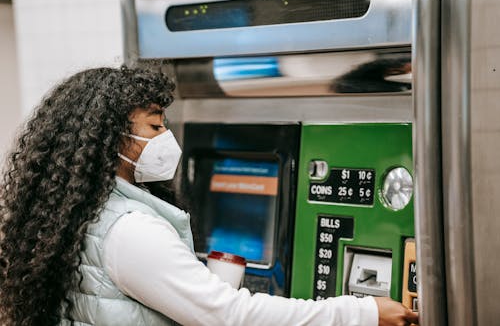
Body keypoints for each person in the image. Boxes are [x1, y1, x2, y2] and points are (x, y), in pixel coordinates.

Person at [0, 67, 418, 326]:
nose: (168, 137)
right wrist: (359, 313)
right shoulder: (130, 230)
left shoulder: (78, 212)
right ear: (112, 140)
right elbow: (228, 316)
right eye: (154, 126)